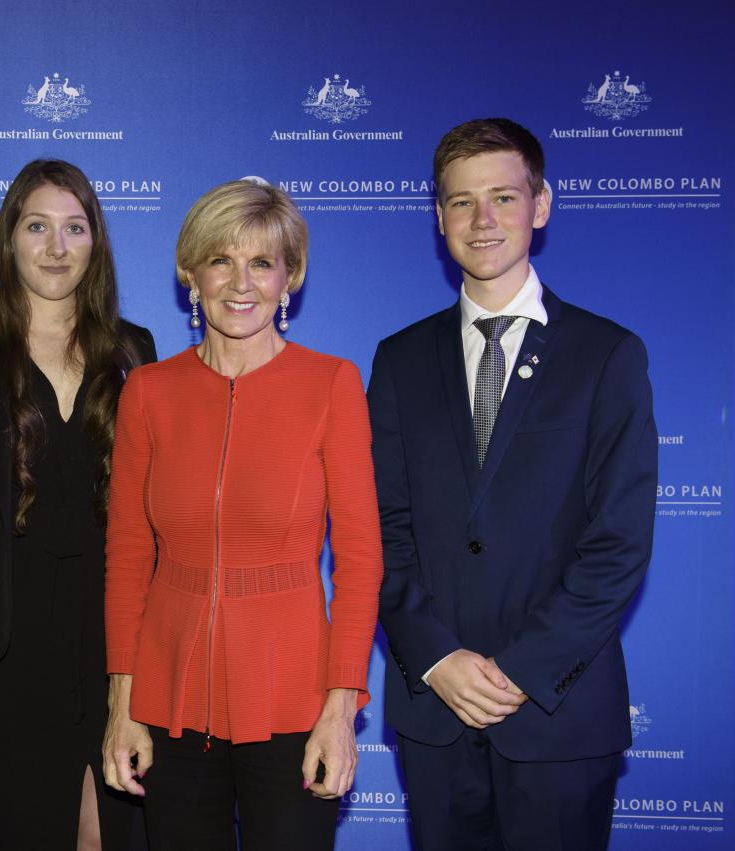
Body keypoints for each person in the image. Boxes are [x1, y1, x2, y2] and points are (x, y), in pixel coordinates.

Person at [369, 118, 656, 850]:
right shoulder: (398, 361)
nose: (483, 220)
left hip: (559, 713)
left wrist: (520, 669)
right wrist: (437, 658)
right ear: (439, 218)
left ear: (542, 204)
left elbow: (618, 544)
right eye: (461, 202)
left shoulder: (607, 355)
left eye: (503, 196)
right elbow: (382, 531)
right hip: (436, 711)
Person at [101, 180, 383, 849]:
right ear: (190, 273)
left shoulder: (332, 384)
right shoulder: (148, 391)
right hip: (168, 701)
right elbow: (129, 556)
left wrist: (341, 709)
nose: (241, 281)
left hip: (294, 697)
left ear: (291, 277)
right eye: (220, 259)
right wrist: (124, 704)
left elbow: (362, 558)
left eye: (262, 262)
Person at [0, 159, 156, 850]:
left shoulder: (133, 351)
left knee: (107, 829)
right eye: (37, 226)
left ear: (96, 242)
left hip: (110, 631)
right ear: (9, 240)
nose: (56, 247)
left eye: (74, 228)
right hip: (1, 643)